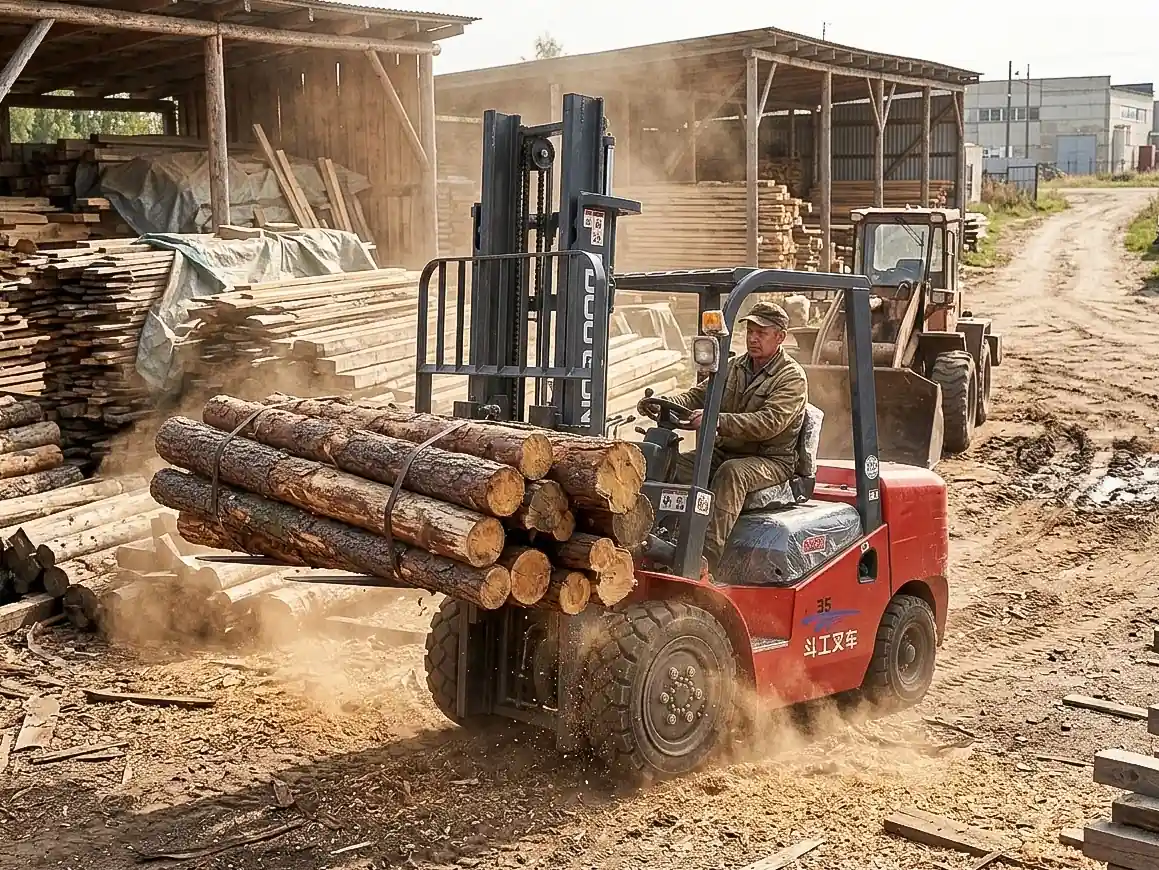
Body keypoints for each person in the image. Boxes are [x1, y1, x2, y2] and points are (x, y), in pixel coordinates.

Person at [639, 301, 808, 574]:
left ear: (780, 337)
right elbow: (697, 396)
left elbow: (770, 423)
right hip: (724, 451)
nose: (753, 338)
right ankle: (655, 537)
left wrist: (717, 421)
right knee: (672, 465)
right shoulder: (734, 367)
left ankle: (704, 558)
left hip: (769, 459)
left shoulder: (791, 377)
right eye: (750, 331)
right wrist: (666, 403)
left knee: (732, 474)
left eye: (761, 333)